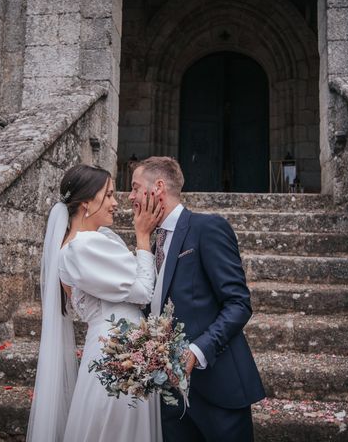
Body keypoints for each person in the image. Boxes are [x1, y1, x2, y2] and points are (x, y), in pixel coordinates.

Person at [128, 156, 266, 442]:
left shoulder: (207, 228)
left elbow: (238, 303)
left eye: (135, 187)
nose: (129, 196)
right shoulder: (153, 244)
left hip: (218, 388)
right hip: (170, 393)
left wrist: (197, 351)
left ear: (158, 188)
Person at [27, 164, 164, 442]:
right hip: (116, 353)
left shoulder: (91, 241)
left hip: (119, 349)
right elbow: (141, 291)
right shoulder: (82, 247)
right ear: (87, 202)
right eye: (109, 195)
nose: (116, 203)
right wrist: (143, 237)